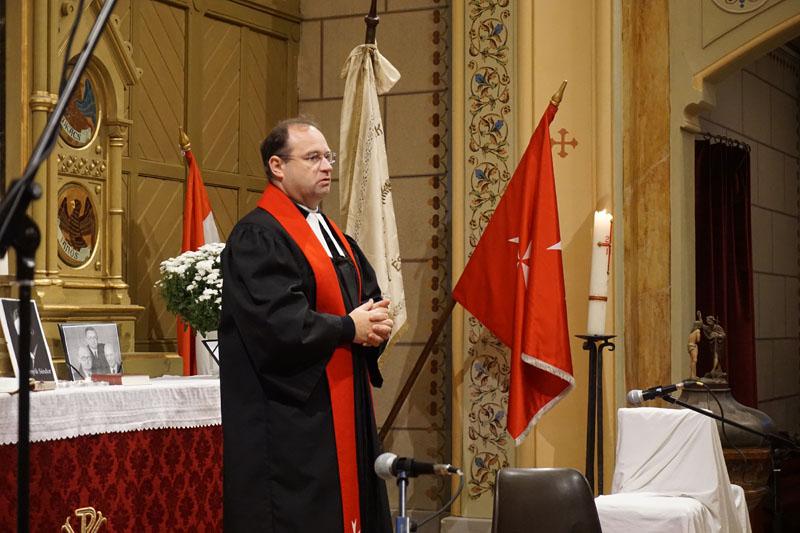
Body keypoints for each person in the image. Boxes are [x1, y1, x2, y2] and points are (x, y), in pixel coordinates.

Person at [220, 117, 394, 532]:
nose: (327, 166)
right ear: (277, 166)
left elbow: (367, 297)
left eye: (328, 157)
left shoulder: (332, 234)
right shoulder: (258, 236)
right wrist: (349, 328)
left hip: (341, 405)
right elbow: (278, 323)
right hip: (291, 420)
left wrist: (376, 325)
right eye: (313, 157)